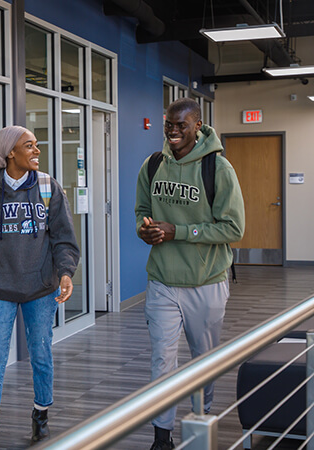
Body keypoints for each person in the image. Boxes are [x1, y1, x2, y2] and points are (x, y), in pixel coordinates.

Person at [0, 125, 80, 449]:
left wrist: (66, 273)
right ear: (10, 152)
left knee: (41, 354)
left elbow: (64, 239)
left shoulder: (47, 187)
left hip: (40, 288)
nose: (37, 151)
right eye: (30, 145)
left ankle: (41, 412)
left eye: (37, 145)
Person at [135, 98, 245, 450]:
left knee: (204, 359)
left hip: (206, 282)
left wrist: (178, 232)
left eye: (181, 125)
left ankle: (202, 414)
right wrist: (146, 229)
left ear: (197, 125)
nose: (173, 131)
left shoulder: (218, 168)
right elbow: (141, 211)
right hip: (163, 281)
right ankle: (161, 435)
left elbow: (233, 228)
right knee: (162, 359)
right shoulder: (153, 165)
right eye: (169, 124)